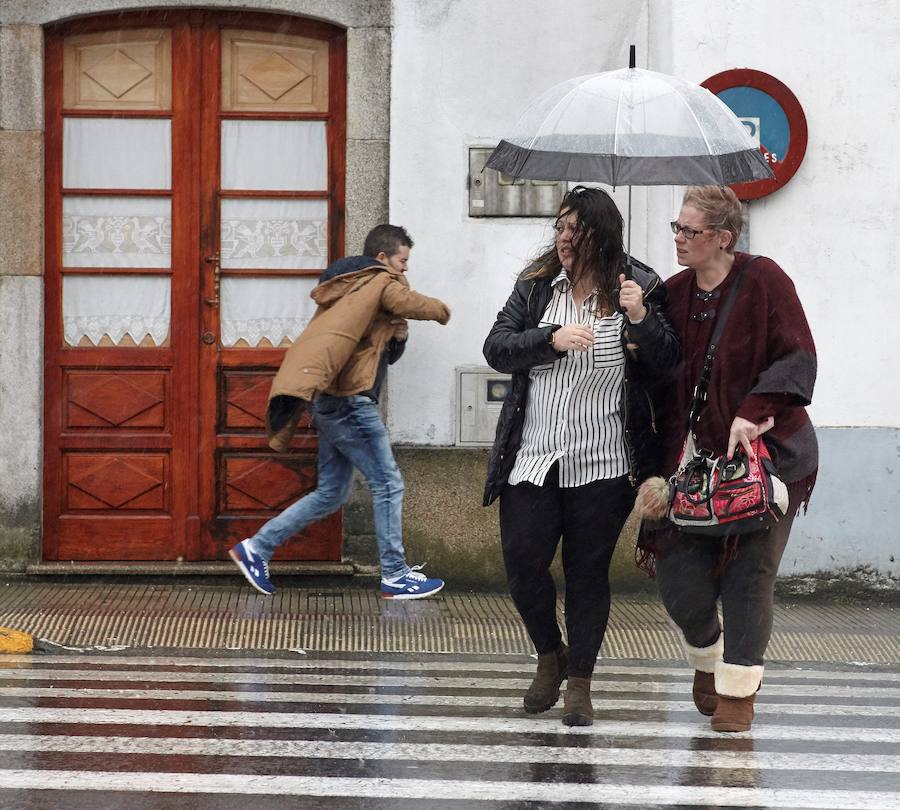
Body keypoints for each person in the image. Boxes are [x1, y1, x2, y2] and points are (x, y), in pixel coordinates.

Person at [483, 185, 680, 726]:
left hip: (605, 461)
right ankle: (550, 655)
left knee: (587, 572)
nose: (564, 239)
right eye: (560, 228)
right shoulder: (536, 288)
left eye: (575, 229)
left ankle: (580, 685)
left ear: (602, 234)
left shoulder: (638, 285)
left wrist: (641, 318)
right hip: (533, 456)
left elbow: (667, 364)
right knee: (524, 563)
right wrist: (549, 339)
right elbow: (496, 348)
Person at [636, 185, 817, 733]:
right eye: (676, 228)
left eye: (690, 231)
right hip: (689, 469)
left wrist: (753, 408)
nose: (679, 239)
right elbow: (656, 372)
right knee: (679, 581)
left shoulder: (765, 280)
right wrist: (638, 327)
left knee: (748, 574)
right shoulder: (669, 294)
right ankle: (706, 655)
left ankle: (738, 689)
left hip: (763, 460)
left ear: (723, 237)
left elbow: (798, 356)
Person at [230, 225, 451, 600]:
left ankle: (257, 548)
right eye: (403, 262)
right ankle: (395, 574)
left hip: (333, 401)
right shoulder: (377, 280)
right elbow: (415, 304)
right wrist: (444, 310)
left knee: (332, 492)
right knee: (388, 483)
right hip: (350, 403)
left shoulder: (352, 290)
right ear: (383, 259)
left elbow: (386, 358)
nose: (405, 272)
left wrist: (398, 335)